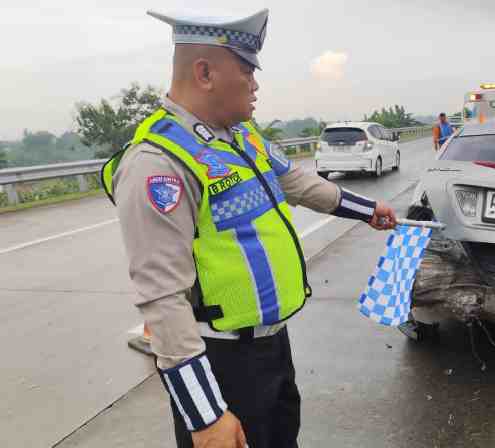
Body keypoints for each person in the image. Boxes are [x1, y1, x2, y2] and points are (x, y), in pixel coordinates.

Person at [100, 8, 397, 448]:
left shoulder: (241, 137)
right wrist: (206, 416)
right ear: (204, 73)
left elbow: (293, 181)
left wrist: (366, 209)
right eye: (247, 70)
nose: (255, 85)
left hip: (272, 346)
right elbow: (162, 297)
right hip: (221, 361)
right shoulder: (157, 163)